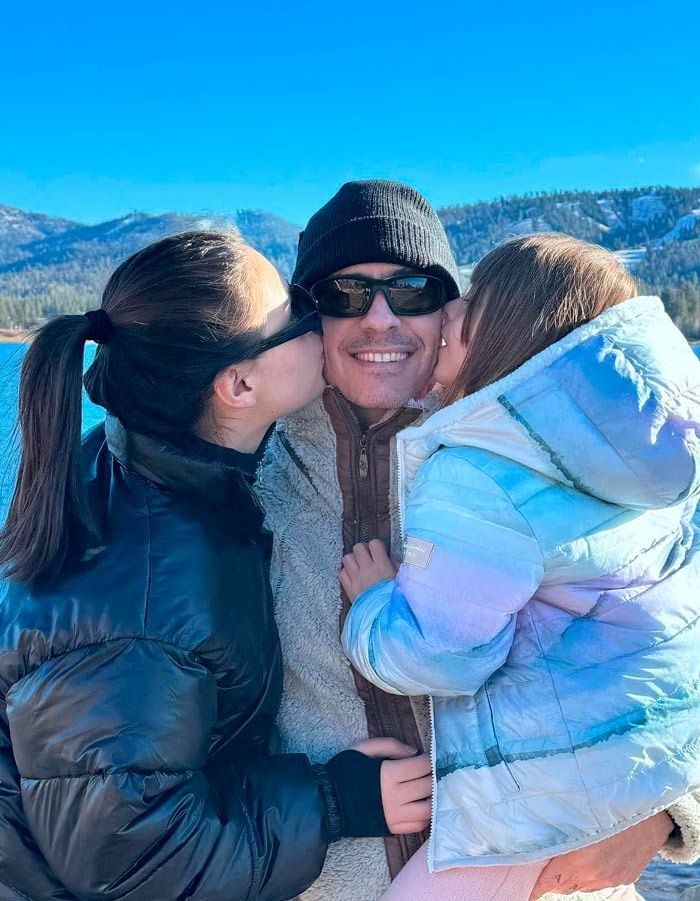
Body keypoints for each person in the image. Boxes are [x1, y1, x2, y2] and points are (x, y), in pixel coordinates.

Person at [257, 184, 700, 901]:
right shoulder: (237, 468)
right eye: (345, 293)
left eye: (413, 290)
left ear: (452, 315)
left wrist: (667, 806)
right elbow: (118, 732)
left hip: (560, 884)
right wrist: (322, 801)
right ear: (310, 313)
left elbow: (668, 626)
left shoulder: (563, 460)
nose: (379, 319)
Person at [0, 229, 429, 901]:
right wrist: (334, 800)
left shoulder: (145, 464)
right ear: (237, 384)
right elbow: (133, 855)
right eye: (293, 313)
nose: (318, 314)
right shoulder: (149, 588)